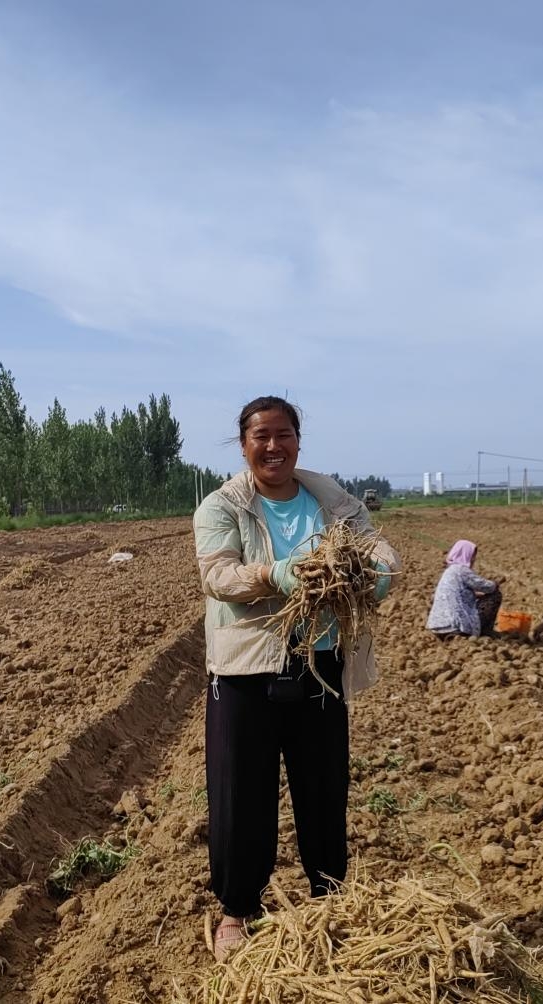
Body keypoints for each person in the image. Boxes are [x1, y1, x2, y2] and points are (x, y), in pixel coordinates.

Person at [192, 395, 400, 962]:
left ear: (297, 441)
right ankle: (238, 910)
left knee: (324, 787)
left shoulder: (332, 502)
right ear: (244, 445)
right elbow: (217, 576)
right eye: (261, 436)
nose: (273, 446)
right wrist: (273, 573)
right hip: (245, 670)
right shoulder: (222, 506)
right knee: (241, 793)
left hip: (319, 661)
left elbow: (376, 546)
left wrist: (377, 570)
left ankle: (329, 897)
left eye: (283, 434)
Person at [426, 539, 504, 638]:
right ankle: (485, 631)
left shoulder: (449, 571)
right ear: (465, 555)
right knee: (495, 595)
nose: (473, 560)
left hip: (437, 626)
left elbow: (459, 593)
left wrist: (476, 595)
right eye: (472, 556)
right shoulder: (461, 570)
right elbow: (487, 587)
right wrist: (496, 583)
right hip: (455, 626)